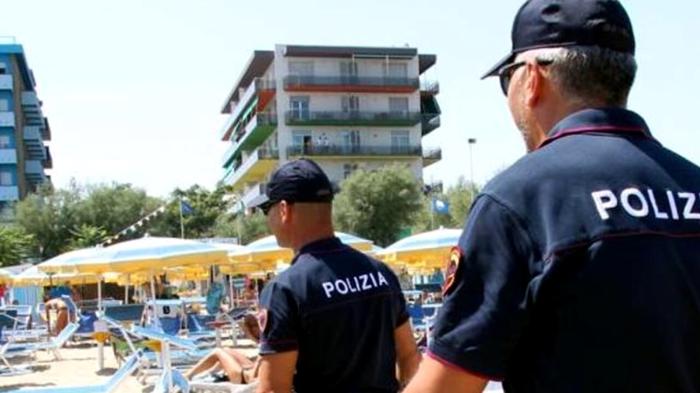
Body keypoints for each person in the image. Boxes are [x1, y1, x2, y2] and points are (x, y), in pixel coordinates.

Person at [404, 1, 700, 392]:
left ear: (531, 78)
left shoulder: (519, 200)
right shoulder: (691, 184)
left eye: (505, 79)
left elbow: (444, 387)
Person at [249, 158, 420, 393]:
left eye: (266, 210)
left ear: (284, 210)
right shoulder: (381, 273)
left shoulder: (285, 289)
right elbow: (411, 357)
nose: (267, 220)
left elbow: (272, 390)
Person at [185, 313, 262, 383]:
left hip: (242, 378)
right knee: (226, 350)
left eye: (255, 326)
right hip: (249, 372)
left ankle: (187, 376)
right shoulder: (268, 342)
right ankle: (209, 373)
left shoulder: (265, 346)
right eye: (251, 326)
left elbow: (255, 375)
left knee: (218, 352)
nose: (253, 329)